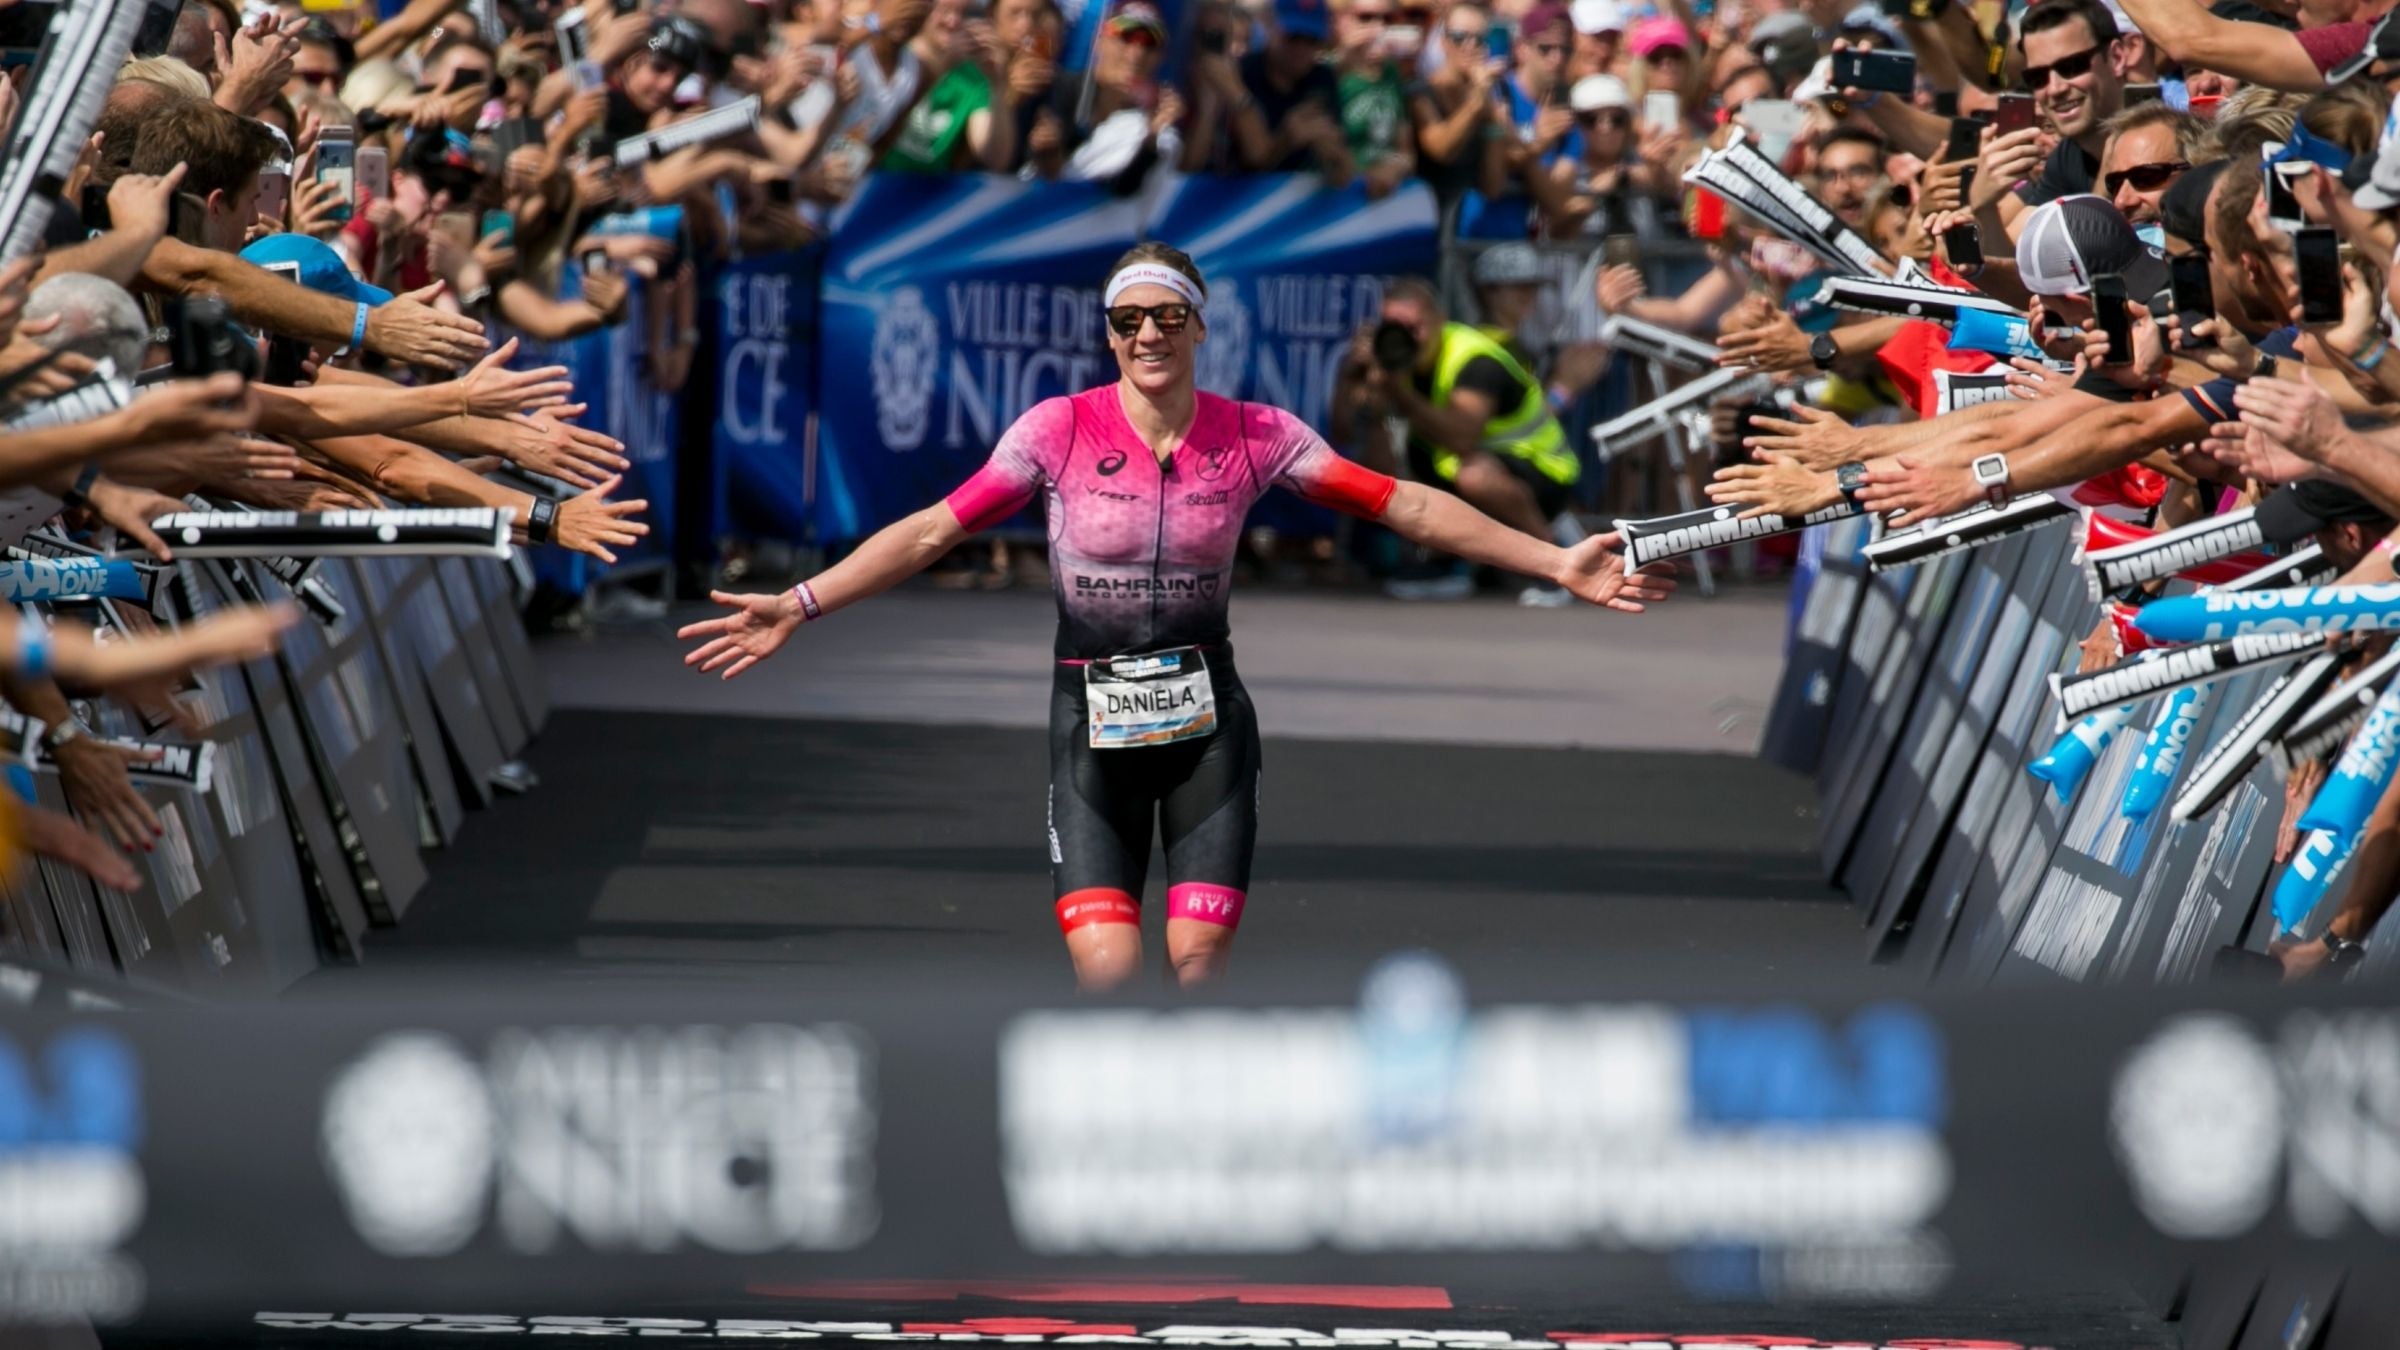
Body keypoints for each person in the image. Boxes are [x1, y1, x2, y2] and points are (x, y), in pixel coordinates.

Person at [678, 244, 1672, 991]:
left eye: (1167, 316)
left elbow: (1405, 502)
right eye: (1126, 320)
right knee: (1109, 976)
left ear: (1200, 328)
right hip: (1090, 728)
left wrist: (1556, 559)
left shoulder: (1258, 436)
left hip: (1206, 730)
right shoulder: (1056, 431)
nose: (1146, 335)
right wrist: (800, 603)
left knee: (1195, 966)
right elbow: (934, 530)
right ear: (1107, 334)